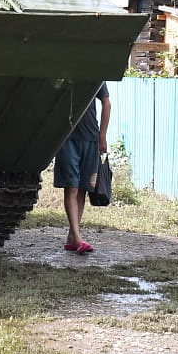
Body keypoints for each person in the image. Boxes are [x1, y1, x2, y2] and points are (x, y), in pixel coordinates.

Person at [55, 83, 110, 255]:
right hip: (66, 138)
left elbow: (106, 103)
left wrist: (102, 136)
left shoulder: (96, 75)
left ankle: (72, 237)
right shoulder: (64, 75)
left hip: (90, 138)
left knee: (82, 189)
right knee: (72, 187)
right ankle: (78, 239)